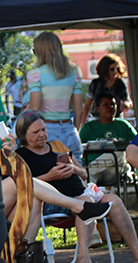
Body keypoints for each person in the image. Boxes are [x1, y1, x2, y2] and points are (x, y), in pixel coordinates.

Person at [15, 109, 138, 263]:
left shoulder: (57, 145)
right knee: (85, 202)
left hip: (82, 194)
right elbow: (22, 185)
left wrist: (74, 169)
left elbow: (84, 174)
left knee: (114, 201)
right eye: (36, 132)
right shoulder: (21, 156)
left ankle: (137, 256)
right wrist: (49, 176)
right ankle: (83, 260)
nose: (42, 135)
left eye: (43, 129)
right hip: (53, 202)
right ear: (23, 134)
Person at [0, 111, 111, 238]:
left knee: (34, 199)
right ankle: (79, 206)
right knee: (18, 180)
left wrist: (8, 154)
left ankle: (24, 254)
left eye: (44, 130)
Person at [26, 31, 84, 162]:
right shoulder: (72, 74)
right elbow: (78, 110)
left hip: (47, 130)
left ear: (39, 52)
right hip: (70, 130)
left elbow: (34, 108)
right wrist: (75, 129)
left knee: (52, 170)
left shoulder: (36, 74)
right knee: (78, 171)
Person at [79, 92, 136, 183]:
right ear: (97, 108)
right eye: (106, 105)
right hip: (93, 166)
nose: (111, 107)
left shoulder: (123, 125)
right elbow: (79, 149)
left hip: (115, 169)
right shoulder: (88, 127)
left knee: (120, 152)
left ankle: (89, 174)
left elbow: (136, 144)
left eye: (113, 104)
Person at [83, 53, 132, 119]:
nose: (115, 71)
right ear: (105, 69)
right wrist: (83, 122)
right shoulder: (95, 84)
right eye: (112, 69)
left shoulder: (120, 83)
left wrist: (126, 104)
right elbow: (87, 105)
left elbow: (127, 100)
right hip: (98, 119)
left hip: (115, 119)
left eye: (117, 68)